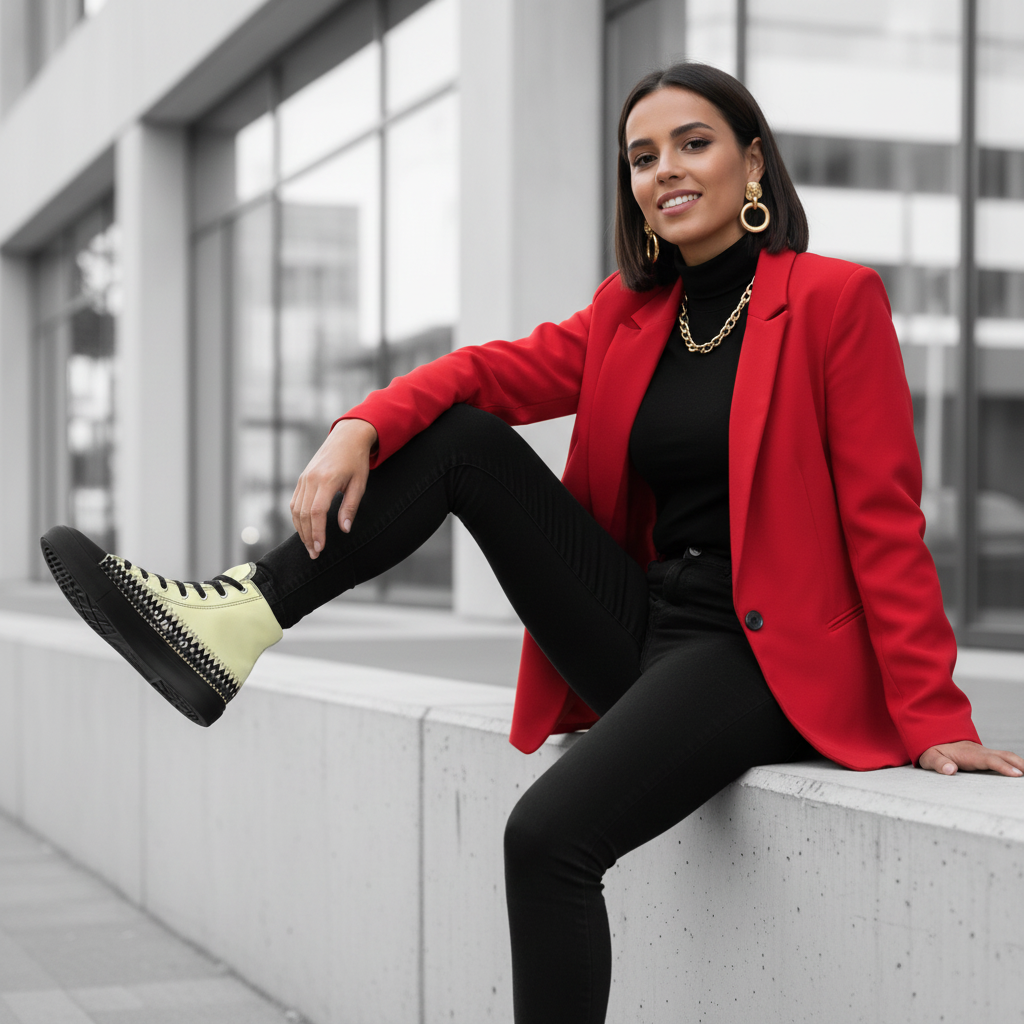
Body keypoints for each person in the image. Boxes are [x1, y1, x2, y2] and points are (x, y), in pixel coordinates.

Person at [41, 62, 1023, 1024]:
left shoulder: (833, 300)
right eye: (643, 157)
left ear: (753, 163)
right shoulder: (630, 315)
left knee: (547, 837)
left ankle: (241, 620)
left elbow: (884, 519)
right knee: (462, 440)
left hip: (755, 652)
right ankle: (244, 616)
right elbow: (482, 373)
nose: (666, 171)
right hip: (642, 621)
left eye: (693, 144)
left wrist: (935, 715)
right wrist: (360, 424)